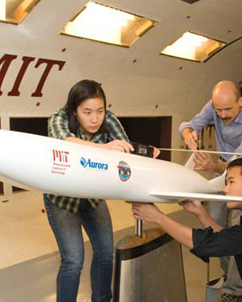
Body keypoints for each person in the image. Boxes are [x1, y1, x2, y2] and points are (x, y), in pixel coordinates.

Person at [130, 158, 242, 302]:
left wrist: (158, 217)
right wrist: (201, 213)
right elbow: (228, 238)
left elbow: (206, 244)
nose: (225, 189)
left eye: (231, 181)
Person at [44, 79, 158, 302]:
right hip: (62, 201)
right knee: (73, 260)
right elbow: (64, 142)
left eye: (100, 111)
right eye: (87, 112)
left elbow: (124, 148)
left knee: (106, 254)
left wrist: (143, 153)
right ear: (74, 110)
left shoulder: (109, 119)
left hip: (93, 198)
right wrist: (104, 148)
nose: (95, 118)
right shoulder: (58, 118)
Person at [178, 80, 242, 301]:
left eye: (228, 109)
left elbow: (240, 160)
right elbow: (187, 125)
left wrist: (213, 166)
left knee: (238, 229)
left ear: (240, 101)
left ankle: (233, 290)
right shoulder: (213, 107)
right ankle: (233, 272)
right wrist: (188, 133)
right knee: (213, 223)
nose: (223, 115)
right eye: (218, 110)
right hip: (221, 171)